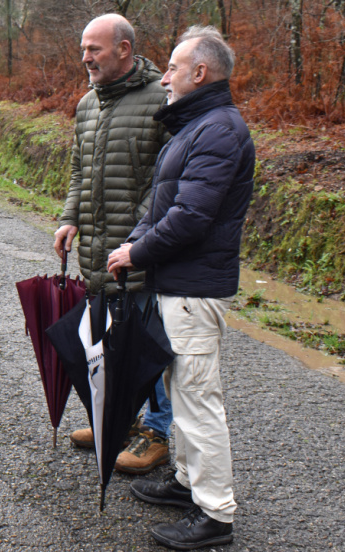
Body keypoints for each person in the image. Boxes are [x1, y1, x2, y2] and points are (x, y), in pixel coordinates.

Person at [107, 25, 255, 550]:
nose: (163, 76)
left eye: (172, 67)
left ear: (200, 73)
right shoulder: (198, 126)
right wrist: (132, 242)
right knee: (181, 389)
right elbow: (162, 205)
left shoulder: (217, 130)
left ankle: (215, 515)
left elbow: (190, 216)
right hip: (179, 284)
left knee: (197, 400)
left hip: (194, 288)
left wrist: (137, 252)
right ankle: (187, 482)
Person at [53, 13, 173, 475]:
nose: (85, 58)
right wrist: (69, 219)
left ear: (124, 49)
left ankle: (156, 431)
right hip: (97, 250)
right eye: (84, 49)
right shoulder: (88, 104)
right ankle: (120, 421)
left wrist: (137, 238)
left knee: (145, 342)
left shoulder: (161, 99)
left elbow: (167, 182)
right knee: (109, 340)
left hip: (139, 252)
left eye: (94, 49)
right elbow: (79, 173)